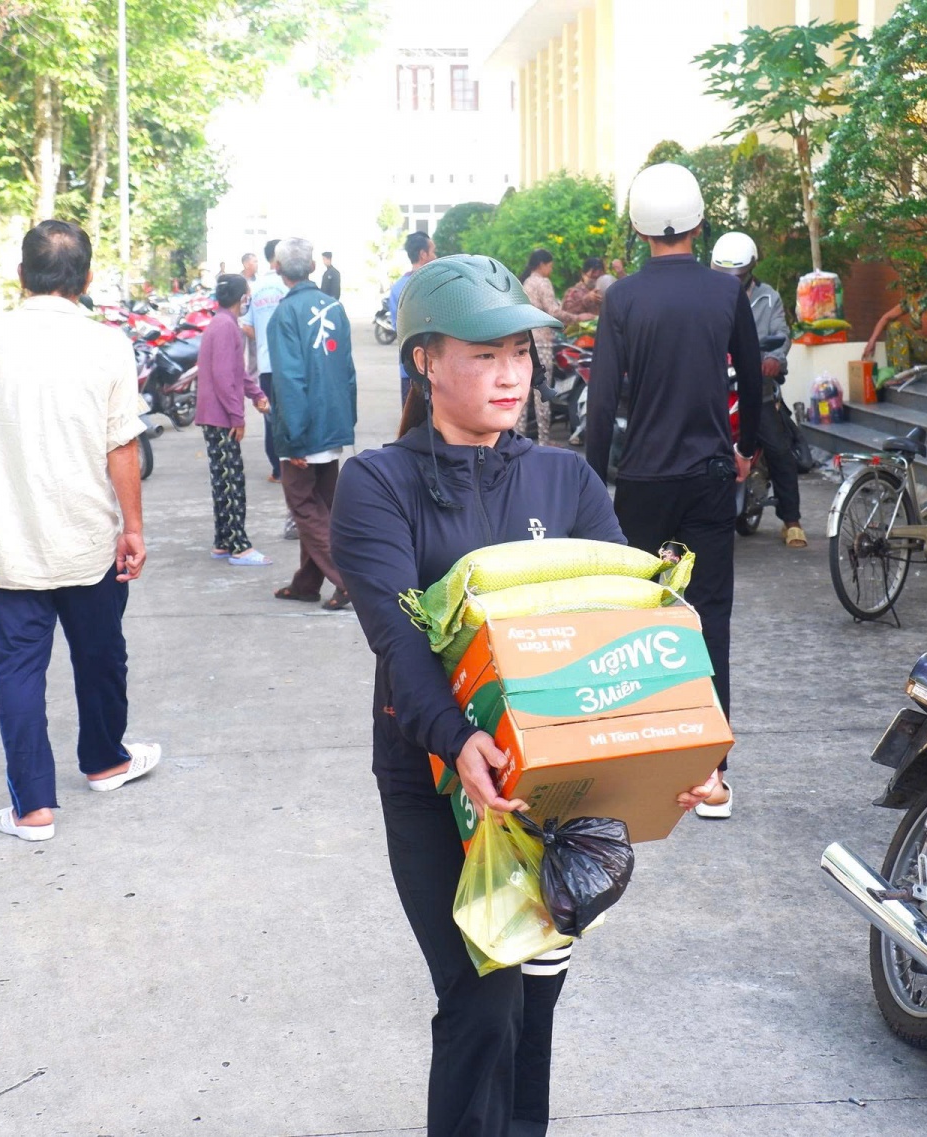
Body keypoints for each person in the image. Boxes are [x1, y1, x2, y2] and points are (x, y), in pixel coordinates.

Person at [331, 254, 718, 1137]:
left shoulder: (566, 481)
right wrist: (452, 740)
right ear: (425, 359)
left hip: (559, 794)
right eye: (484, 354)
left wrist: (682, 750)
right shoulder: (377, 484)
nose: (511, 373)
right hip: (436, 782)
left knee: (534, 998)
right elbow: (399, 638)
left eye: (520, 352)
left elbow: (623, 627)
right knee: (481, 995)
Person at [0, 219, 161, 842]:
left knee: (20, 671)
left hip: (14, 541)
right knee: (101, 654)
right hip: (88, 536)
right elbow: (121, 444)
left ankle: (32, 810)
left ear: (21, 276)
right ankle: (105, 761)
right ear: (87, 280)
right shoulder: (107, 343)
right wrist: (134, 527)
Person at [586, 162, 760, 819]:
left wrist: (589, 482)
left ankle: (637, 760)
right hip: (711, 478)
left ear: (638, 228)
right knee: (708, 618)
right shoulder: (724, 292)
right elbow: (754, 377)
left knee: (637, 618)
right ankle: (710, 774)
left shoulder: (623, 298)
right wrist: (747, 450)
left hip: (641, 484)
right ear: (697, 221)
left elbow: (601, 402)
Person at [267, 237, 357, 610]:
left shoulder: (284, 315)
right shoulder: (334, 308)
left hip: (305, 428)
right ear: (313, 268)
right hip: (332, 421)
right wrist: (346, 420)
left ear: (277, 268)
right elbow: (348, 371)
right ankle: (306, 583)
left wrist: (292, 441)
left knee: (304, 507)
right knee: (322, 506)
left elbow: (288, 381)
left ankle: (346, 579)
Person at [710, 231, 804, 549]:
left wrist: (775, 359)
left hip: (757, 385)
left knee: (779, 449)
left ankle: (791, 521)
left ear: (750, 270)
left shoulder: (768, 297)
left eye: (739, 276)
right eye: (725, 276)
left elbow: (781, 332)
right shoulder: (707, 295)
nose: (732, 282)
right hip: (716, 382)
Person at [196, 273, 272, 567]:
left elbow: (236, 373)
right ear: (243, 297)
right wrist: (237, 417)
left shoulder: (221, 324)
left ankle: (222, 542)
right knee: (232, 482)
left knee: (222, 479)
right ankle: (239, 545)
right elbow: (225, 377)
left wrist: (255, 393)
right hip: (221, 416)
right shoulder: (227, 327)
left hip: (214, 415)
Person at [520, 248, 575, 443]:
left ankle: (517, 438)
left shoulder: (526, 282)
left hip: (525, 343)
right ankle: (543, 440)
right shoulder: (543, 282)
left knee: (523, 395)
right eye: (550, 266)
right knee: (541, 393)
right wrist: (576, 319)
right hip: (542, 344)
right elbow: (553, 311)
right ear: (542, 265)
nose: (550, 270)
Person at [246, 239, 289, 485]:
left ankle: (277, 469)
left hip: (265, 365)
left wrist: (263, 337)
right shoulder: (288, 286)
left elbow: (248, 326)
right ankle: (291, 464)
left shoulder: (257, 287)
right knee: (289, 414)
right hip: (287, 364)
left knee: (269, 416)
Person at [389, 230, 437, 403]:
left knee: (413, 424)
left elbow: (399, 329)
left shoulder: (397, 288)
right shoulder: (435, 285)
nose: (435, 256)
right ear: (423, 254)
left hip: (408, 369)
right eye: (433, 251)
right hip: (436, 370)